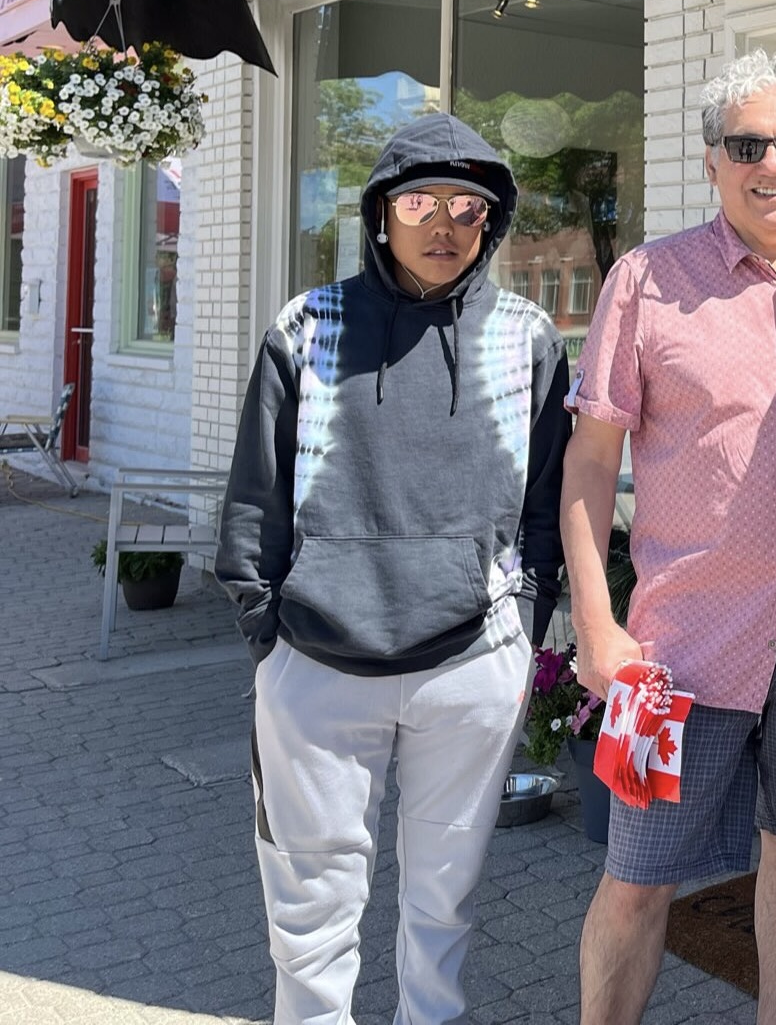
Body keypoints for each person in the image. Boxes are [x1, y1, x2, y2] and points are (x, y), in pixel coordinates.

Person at [562, 50, 776, 1025]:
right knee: (634, 874)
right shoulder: (647, 282)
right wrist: (596, 624)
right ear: (713, 157)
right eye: (749, 143)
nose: (774, 164)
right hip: (669, 656)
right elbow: (589, 465)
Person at [216, 112, 571, 1024]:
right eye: (421, 202)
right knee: (310, 911)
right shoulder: (310, 325)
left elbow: (547, 508)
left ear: (490, 221)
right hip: (318, 665)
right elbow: (256, 495)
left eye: (467, 205)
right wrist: (272, 632)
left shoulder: (528, 338)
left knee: (443, 907)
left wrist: (519, 631)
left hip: (468, 667)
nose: (444, 224)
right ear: (382, 214)